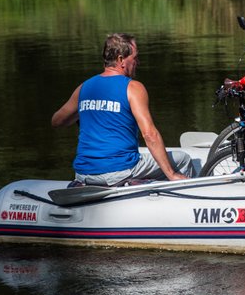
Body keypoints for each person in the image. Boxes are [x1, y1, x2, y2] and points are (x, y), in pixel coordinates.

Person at [51, 33, 193, 186]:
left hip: (83, 174)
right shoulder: (133, 87)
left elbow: (57, 121)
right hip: (118, 171)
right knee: (183, 159)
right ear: (120, 60)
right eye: (135, 57)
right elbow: (149, 134)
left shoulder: (84, 88)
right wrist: (171, 174)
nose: (138, 62)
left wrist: (85, 112)